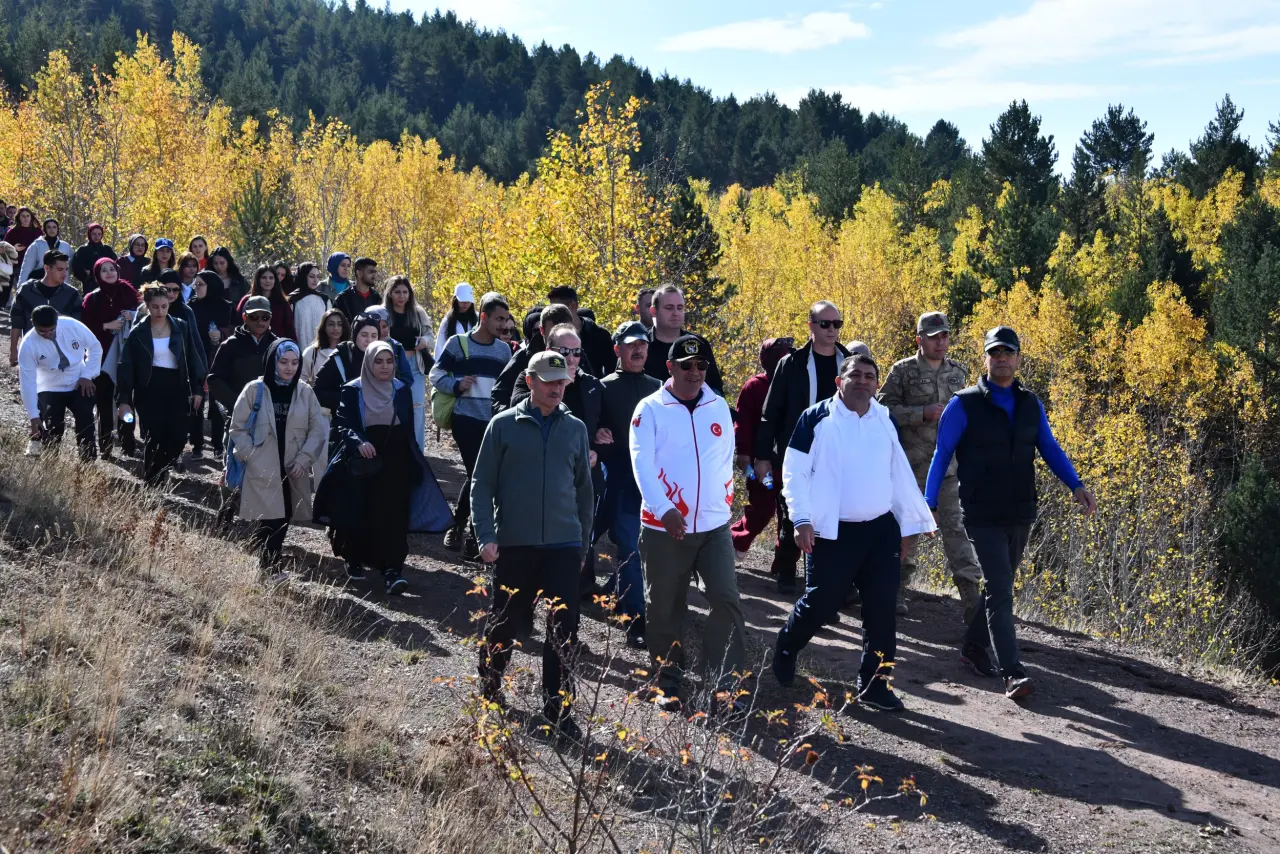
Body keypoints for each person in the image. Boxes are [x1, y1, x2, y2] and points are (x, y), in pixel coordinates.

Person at [926, 326, 1097, 701]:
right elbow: (942, 454)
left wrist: (1077, 486)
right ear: (985, 358)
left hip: (1020, 510)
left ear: (1018, 359)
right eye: (995, 352)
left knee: (998, 589)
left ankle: (972, 646)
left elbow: (1049, 447)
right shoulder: (964, 403)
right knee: (1002, 589)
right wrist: (930, 503)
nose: (1001, 358)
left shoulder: (1030, 404)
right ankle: (1013, 672)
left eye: (1008, 352)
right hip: (982, 512)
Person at [770, 354, 937, 712]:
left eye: (869, 377)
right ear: (839, 382)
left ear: (877, 384)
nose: (862, 381)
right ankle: (785, 649)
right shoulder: (817, 418)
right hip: (831, 532)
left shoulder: (883, 418)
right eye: (855, 375)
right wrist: (800, 520)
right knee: (822, 602)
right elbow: (794, 471)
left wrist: (911, 526)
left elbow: (899, 473)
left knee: (881, 609)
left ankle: (875, 684)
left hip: (879, 532)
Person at [473, 350, 594, 738]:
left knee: (564, 630)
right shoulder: (502, 426)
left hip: (563, 545)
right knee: (505, 621)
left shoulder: (575, 428)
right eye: (549, 381)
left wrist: (582, 544)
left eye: (562, 382)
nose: (557, 388)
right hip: (516, 545)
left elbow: (584, 493)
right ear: (530, 381)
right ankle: (490, 686)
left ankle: (558, 709)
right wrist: (486, 535)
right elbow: (482, 484)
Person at [630, 334, 743, 713]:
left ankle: (725, 686)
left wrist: (721, 502)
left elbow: (725, 458)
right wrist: (664, 509)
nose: (695, 373)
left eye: (701, 366)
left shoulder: (719, 406)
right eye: (687, 365)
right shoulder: (650, 410)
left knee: (726, 600)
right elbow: (641, 466)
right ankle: (668, 681)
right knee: (664, 607)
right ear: (670, 367)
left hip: (713, 527)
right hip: (664, 527)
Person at [313, 341, 454, 592]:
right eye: (379, 361)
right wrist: (359, 442)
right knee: (360, 510)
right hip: (362, 460)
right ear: (368, 362)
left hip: (396, 460)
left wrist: (414, 462)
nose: (385, 367)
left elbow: (408, 429)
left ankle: (392, 569)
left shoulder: (401, 389)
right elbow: (344, 423)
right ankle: (354, 558)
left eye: (389, 361)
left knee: (394, 514)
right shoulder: (353, 390)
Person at [877, 312, 983, 620]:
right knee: (903, 532)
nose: (940, 342)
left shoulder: (959, 374)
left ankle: (972, 602)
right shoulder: (903, 371)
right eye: (934, 336)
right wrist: (921, 413)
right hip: (909, 468)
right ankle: (894, 591)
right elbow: (882, 408)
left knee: (956, 532)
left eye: (944, 336)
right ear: (919, 339)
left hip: (947, 472)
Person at [753, 301, 851, 591]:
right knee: (794, 511)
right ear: (811, 326)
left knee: (838, 514)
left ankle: (833, 583)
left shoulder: (848, 361)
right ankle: (786, 570)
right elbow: (771, 412)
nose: (832, 330)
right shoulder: (792, 364)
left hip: (838, 452)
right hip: (798, 451)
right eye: (825, 324)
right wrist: (762, 456)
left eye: (837, 324)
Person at [509, 323, 605, 599]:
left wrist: (599, 447)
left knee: (580, 530)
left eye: (577, 352)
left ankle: (576, 594)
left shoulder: (591, 383)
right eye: (566, 352)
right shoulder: (528, 377)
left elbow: (612, 429)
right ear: (550, 350)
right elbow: (519, 408)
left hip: (581, 477)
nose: (573, 359)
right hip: (538, 479)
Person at [229, 339, 327, 573]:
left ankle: (267, 566)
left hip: (293, 467)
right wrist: (249, 455)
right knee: (270, 517)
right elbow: (237, 427)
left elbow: (317, 430)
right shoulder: (255, 390)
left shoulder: (305, 392)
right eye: (283, 361)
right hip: (262, 466)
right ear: (273, 360)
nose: (289, 368)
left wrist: (304, 459)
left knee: (285, 516)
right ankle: (269, 568)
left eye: (295, 362)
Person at [429, 292, 512, 560]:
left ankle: (461, 526)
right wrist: (456, 385)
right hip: (466, 420)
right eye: (499, 319)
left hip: (493, 422)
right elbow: (436, 374)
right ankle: (471, 534)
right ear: (484, 317)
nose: (503, 325)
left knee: (481, 476)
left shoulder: (504, 350)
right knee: (478, 473)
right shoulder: (458, 344)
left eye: (506, 320)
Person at [597, 320, 660, 647]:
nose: (638, 350)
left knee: (645, 549)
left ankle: (621, 595)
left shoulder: (660, 387)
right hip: (619, 479)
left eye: (643, 345)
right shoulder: (602, 387)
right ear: (617, 348)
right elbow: (590, 427)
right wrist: (598, 434)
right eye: (632, 344)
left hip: (656, 482)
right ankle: (636, 621)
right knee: (631, 547)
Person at [116, 284, 205, 484]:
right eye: (155, 307)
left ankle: (160, 471)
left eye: (164, 306)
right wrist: (123, 399)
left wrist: (198, 388)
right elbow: (126, 365)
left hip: (177, 385)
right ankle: (153, 481)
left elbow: (193, 357)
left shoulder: (181, 326)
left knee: (178, 436)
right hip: (149, 387)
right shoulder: (139, 332)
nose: (160, 311)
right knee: (155, 436)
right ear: (147, 306)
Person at [730, 337, 794, 559]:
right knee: (763, 509)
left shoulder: (795, 385)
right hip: (760, 464)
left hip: (789, 465)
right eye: (779, 354)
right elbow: (743, 423)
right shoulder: (754, 386)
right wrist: (744, 454)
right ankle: (734, 542)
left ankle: (783, 566)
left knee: (790, 517)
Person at [18, 305, 102, 459]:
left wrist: (87, 374)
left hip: (78, 379)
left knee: (86, 420)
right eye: (42, 331)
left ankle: (88, 463)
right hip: (49, 385)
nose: (48, 334)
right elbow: (27, 382)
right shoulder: (28, 345)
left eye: (51, 329)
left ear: (57, 320)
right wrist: (33, 415)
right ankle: (51, 463)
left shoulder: (71, 325)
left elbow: (95, 347)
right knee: (53, 427)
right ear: (32, 323)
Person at [80, 258, 141, 458]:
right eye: (104, 270)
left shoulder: (128, 291)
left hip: (127, 357)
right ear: (97, 274)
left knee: (126, 401)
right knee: (104, 403)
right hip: (101, 357)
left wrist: (132, 315)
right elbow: (85, 327)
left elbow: (143, 313)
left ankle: (128, 444)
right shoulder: (92, 298)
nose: (109, 273)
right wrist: (106, 326)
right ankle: (105, 446)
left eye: (112, 269)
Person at [491, 303, 575, 413]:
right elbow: (500, 396)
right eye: (553, 333)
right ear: (542, 330)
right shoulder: (524, 357)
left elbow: (594, 394)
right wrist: (513, 422)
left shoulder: (578, 357)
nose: (558, 338)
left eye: (563, 333)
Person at [643, 284, 725, 395]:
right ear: (653, 311)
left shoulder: (698, 344)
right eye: (669, 308)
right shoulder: (640, 346)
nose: (675, 313)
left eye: (680, 307)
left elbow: (715, 388)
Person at [383, 275, 435, 451]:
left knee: (417, 410)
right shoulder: (383, 313)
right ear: (390, 293)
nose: (402, 296)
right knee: (390, 410)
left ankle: (417, 454)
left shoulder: (418, 312)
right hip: (388, 367)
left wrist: (424, 341)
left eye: (405, 292)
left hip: (414, 365)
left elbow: (430, 336)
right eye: (397, 292)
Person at [188, 271, 234, 458]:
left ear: (211, 286)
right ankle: (197, 445)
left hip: (218, 358)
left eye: (200, 284)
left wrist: (222, 333)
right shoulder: (191, 306)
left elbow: (237, 328)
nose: (196, 288)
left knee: (217, 403)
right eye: (195, 284)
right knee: (195, 401)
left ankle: (217, 445)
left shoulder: (227, 307)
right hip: (197, 357)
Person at [10, 250, 82, 366]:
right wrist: (13, 350)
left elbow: (77, 328)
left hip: (63, 356)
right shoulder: (26, 291)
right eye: (60, 269)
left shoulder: (72, 294)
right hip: (32, 352)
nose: (64, 273)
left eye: (66, 269)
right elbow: (16, 323)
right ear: (47, 268)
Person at [313, 313, 380, 429]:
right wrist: (347, 399)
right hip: (345, 428)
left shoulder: (384, 358)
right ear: (355, 334)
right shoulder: (340, 358)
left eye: (374, 336)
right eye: (364, 335)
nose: (369, 340)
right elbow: (317, 391)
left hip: (377, 426)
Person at [545, 285, 615, 376]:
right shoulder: (550, 335)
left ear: (573, 306)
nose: (553, 313)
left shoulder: (599, 335)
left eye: (558, 309)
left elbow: (612, 371)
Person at [235, 265, 294, 339]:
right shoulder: (246, 301)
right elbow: (238, 325)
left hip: (276, 346)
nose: (268, 281)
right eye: (264, 277)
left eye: (271, 278)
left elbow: (289, 329)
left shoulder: (282, 303)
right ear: (258, 279)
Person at [16, 218, 72, 285]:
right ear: (44, 229)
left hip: (61, 285)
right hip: (41, 283)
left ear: (58, 229)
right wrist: (21, 286)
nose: (52, 230)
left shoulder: (65, 246)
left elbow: (71, 266)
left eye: (54, 227)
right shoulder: (36, 245)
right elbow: (26, 268)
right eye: (49, 227)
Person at [302, 308, 348, 386]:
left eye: (340, 324)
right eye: (331, 324)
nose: (336, 328)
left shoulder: (349, 351)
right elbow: (301, 379)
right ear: (324, 327)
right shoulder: (311, 352)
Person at [289, 261, 330, 347]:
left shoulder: (324, 299)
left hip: (321, 352)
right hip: (298, 352)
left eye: (318, 276)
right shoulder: (293, 300)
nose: (315, 280)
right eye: (311, 276)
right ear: (303, 276)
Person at [3, 207, 42, 296]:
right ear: (19, 217)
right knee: (20, 289)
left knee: (34, 291)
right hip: (17, 265)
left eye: (28, 216)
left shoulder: (37, 231)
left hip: (34, 265)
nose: (25, 218)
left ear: (31, 217)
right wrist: (14, 248)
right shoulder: (12, 231)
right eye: (23, 216)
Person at [433, 282, 475, 363]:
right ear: (456, 300)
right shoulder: (448, 321)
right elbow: (440, 346)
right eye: (462, 300)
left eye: (468, 301)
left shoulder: (477, 319)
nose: (465, 304)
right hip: (454, 366)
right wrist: (438, 370)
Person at [71, 223, 116, 292]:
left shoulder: (107, 249)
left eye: (99, 234)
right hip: (89, 285)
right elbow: (76, 267)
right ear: (89, 234)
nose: (96, 236)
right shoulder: (83, 250)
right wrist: (86, 275)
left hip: (107, 283)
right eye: (94, 234)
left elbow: (116, 264)